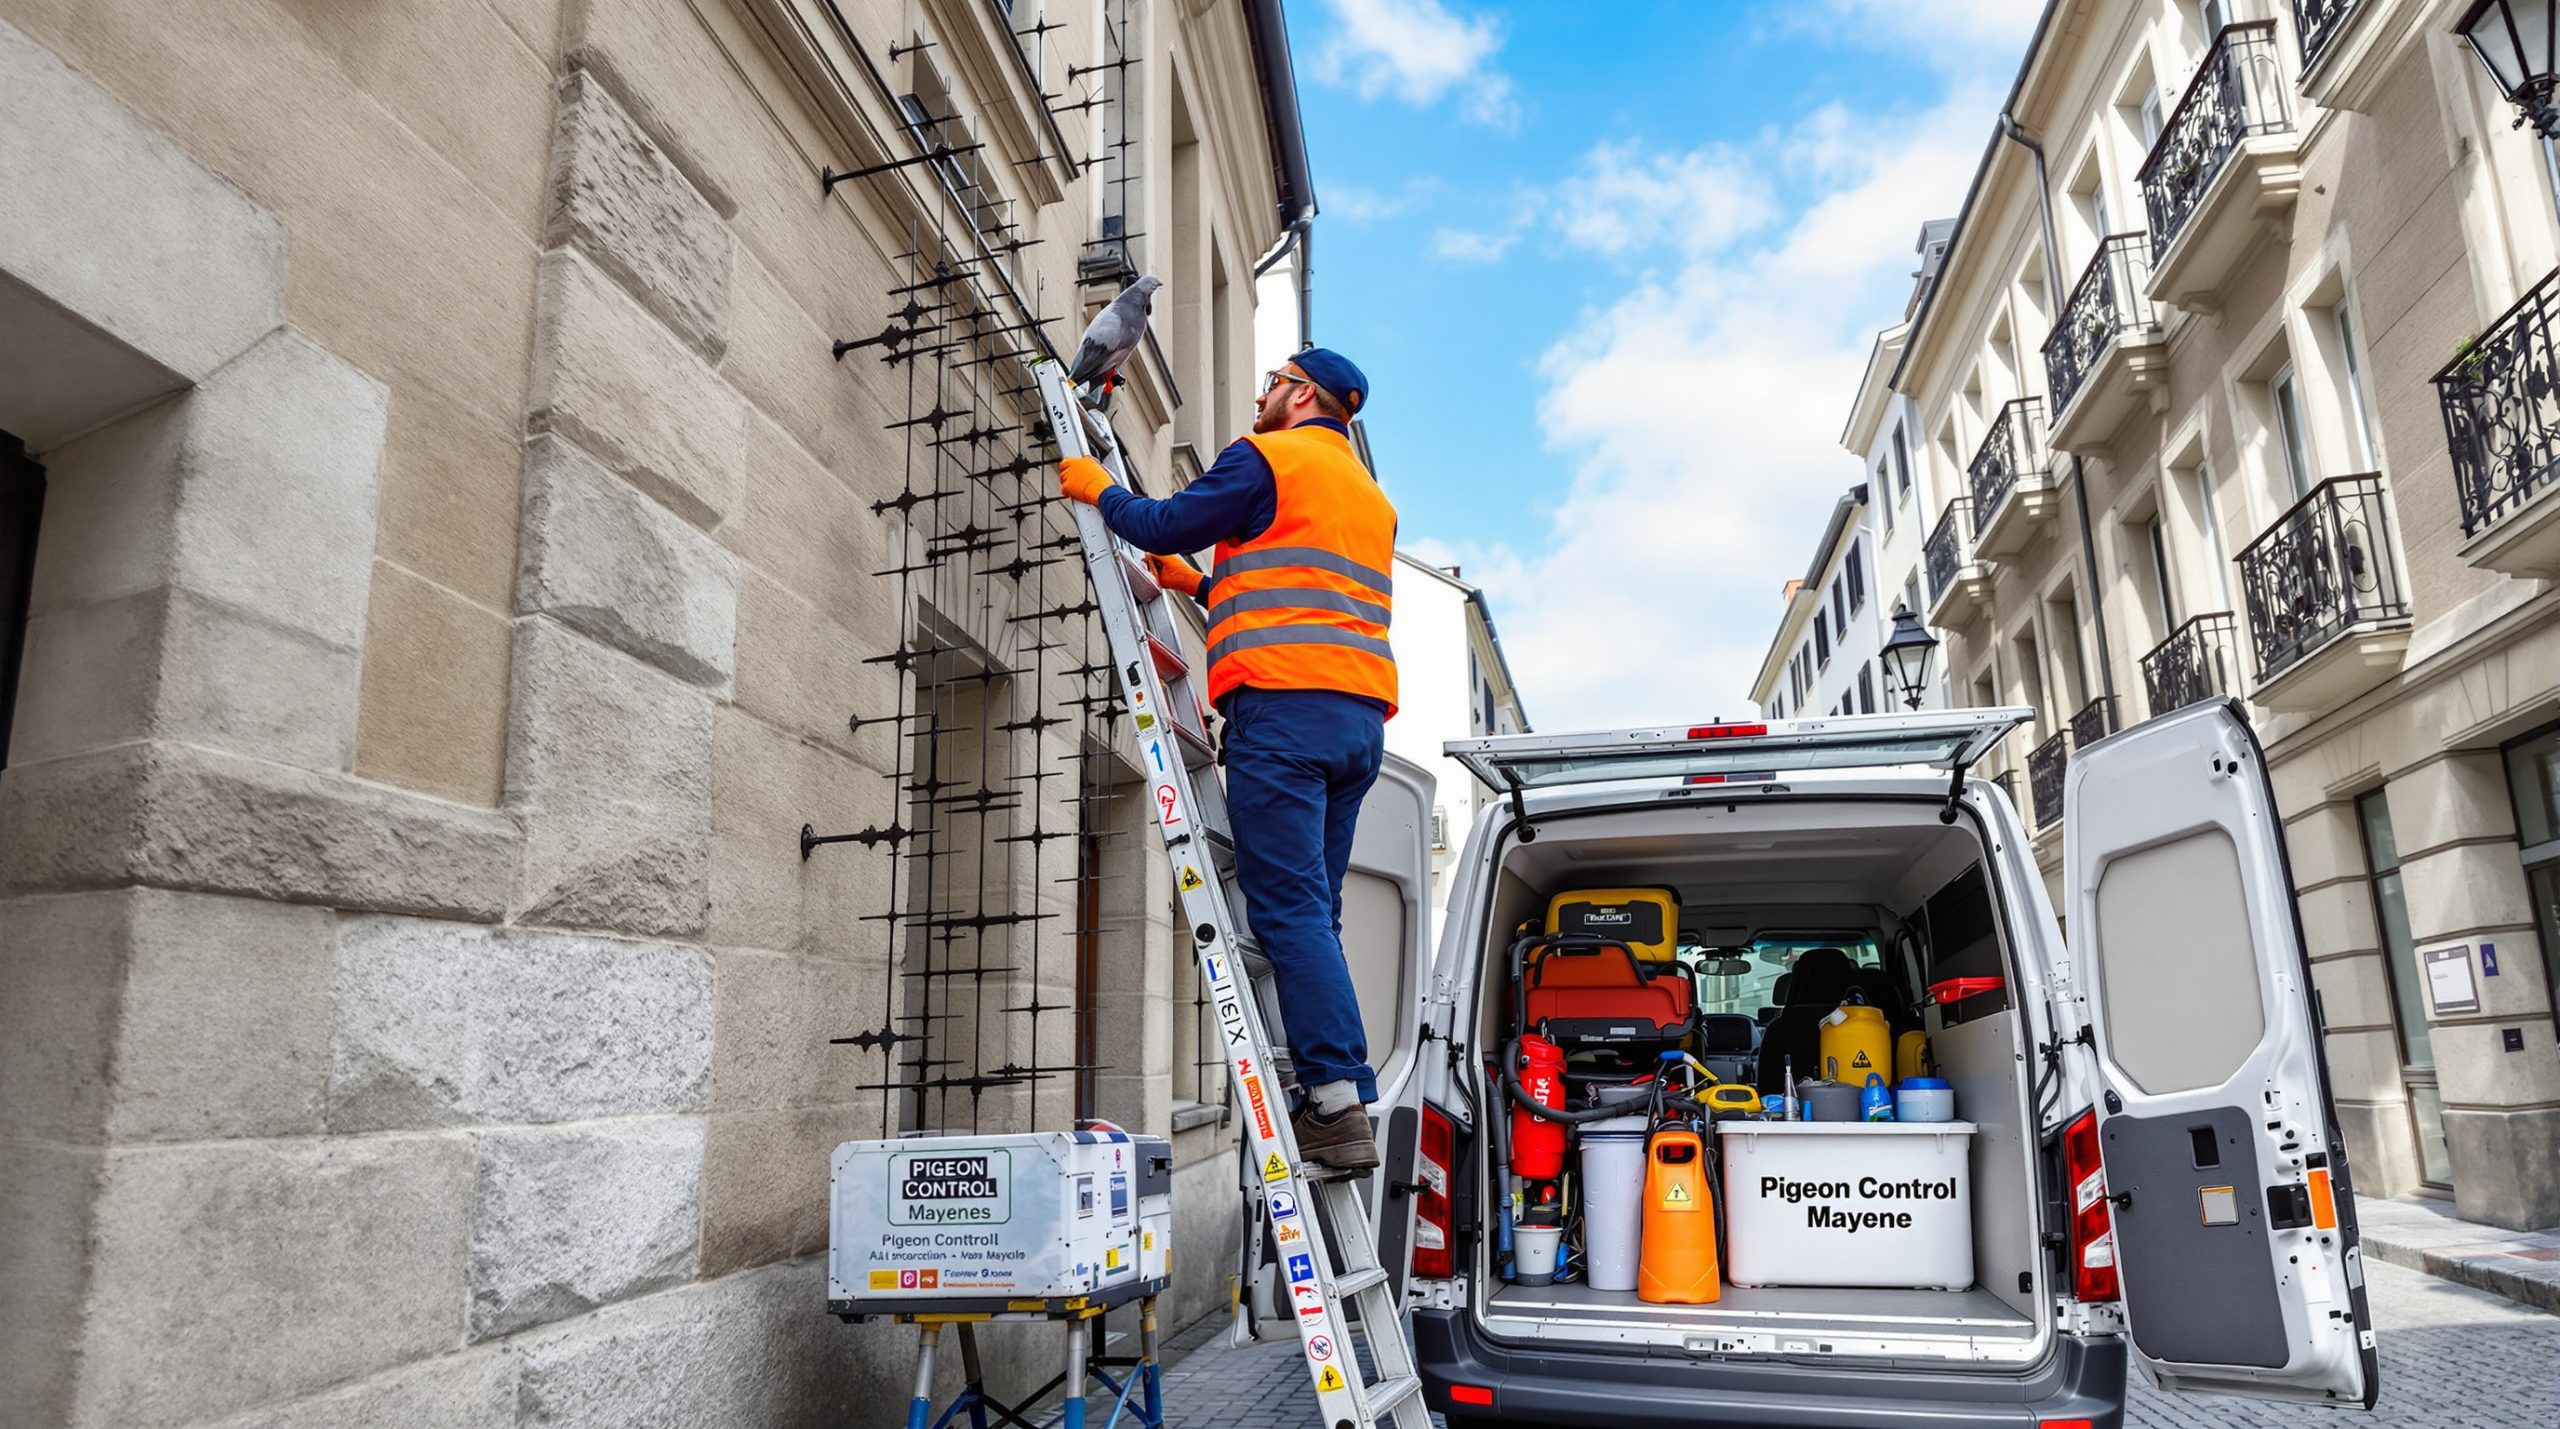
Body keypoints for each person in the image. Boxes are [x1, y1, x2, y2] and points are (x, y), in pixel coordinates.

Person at [1057, 349, 1395, 1169]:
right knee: (1314, 913)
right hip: (1355, 721)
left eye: (1274, 381)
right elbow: (1307, 592)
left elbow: (1161, 523)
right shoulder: (1369, 496)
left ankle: (1336, 1103)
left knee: (1288, 913)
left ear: (1303, 394)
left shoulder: (1266, 457)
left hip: (1282, 710)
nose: (1260, 394)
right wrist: (1199, 586)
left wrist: (1098, 487)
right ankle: (1340, 1089)